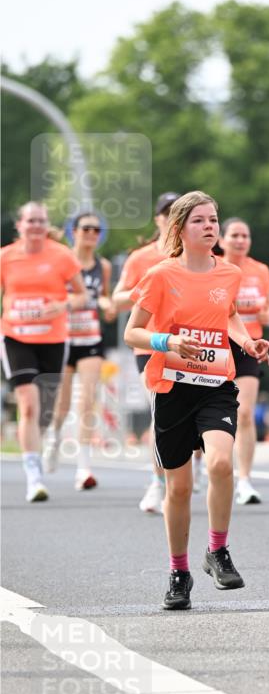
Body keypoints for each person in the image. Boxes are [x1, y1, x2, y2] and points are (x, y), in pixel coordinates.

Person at [124, 190, 269, 611]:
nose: (210, 226)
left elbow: (228, 314)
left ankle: (218, 550)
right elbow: (132, 332)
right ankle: (178, 571)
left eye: (214, 219)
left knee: (222, 463)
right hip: (171, 388)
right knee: (180, 488)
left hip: (215, 385)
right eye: (200, 221)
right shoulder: (160, 275)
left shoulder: (228, 274)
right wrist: (167, 340)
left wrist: (247, 342)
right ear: (180, 229)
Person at [0, 202, 87, 502]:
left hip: (53, 338)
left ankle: (43, 439)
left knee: (45, 413)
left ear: (46, 225)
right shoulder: (6, 257)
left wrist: (61, 306)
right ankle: (33, 477)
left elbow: (82, 296)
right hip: (15, 336)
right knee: (27, 405)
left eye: (41, 221)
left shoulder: (61, 255)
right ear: (19, 225)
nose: (35, 226)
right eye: (30, 220)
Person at [112, 192, 179, 513]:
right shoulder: (141, 258)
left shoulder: (196, 254)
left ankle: (183, 473)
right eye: (167, 213)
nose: (172, 218)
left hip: (193, 344)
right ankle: (159, 482)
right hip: (150, 343)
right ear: (158, 219)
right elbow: (117, 299)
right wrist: (150, 288)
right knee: (161, 412)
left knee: (187, 416)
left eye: (178, 212)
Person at [43, 211, 116, 490]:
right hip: (62, 337)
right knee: (61, 405)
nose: (91, 234)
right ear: (74, 231)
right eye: (86, 229)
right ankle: (54, 436)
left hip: (90, 339)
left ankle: (83, 467)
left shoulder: (103, 266)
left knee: (87, 400)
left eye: (96, 230)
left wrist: (107, 306)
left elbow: (104, 295)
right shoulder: (62, 262)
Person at [215, 218, 269, 506]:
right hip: (216, 346)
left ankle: (246, 480)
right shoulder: (213, 267)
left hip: (250, 346)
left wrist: (267, 315)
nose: (240, 240)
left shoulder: (260, 270)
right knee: (208, 411)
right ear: (222, 240)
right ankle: (206, 463)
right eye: (234, 235)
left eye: (245, 235)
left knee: (247, 413)